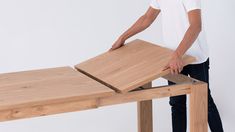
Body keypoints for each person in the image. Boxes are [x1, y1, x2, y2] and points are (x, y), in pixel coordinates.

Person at [109, 0, 224, 132]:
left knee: (205, 102)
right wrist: (123, 37)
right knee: (176, 103)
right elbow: (147, 18)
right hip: (173, 58)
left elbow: (196, 26)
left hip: (195, 56)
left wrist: (178, 54)